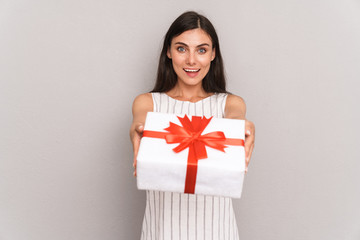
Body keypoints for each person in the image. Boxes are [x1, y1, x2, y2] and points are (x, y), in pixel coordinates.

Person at [130, 11, 255, 240]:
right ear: (168, 52)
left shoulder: (230, 103)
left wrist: (242, 127)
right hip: (163, 233)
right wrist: (137, 129)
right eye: (181, 48)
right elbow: (140, 121)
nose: (191, 60)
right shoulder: (149, 102)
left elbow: (236, 117)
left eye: (201, 50)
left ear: (213, 54)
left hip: (218, 232)